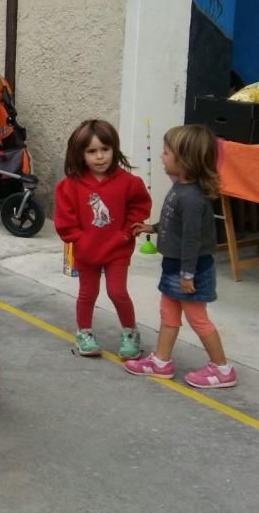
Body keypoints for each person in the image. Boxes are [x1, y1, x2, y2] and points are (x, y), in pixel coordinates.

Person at [125, 125, 236, 389]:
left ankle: (222, 369)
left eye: (166, 152)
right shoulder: (180, 188)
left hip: (191, 270)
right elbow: (174, 224)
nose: (162, 156)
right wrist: (151, 228)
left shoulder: (193, 198)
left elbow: (191, 240)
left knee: (198, 319)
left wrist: (187, 274)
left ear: (185, 160)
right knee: (168, 312)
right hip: (175, 266)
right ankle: (161, 362)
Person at [53, 120, 151, 358]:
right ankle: (84, 332)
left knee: (118, 292)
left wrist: (126, 232)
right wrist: (81, 240)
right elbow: (65, 220)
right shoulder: (69, 186)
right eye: (92, 151)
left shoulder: (130, 183)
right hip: (86, 251)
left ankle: (130, 332)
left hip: (118, 248)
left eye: (105, 149)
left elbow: (140, 207)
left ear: (114, 149)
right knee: (87, 294)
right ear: (80, 154)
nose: (100, 157)